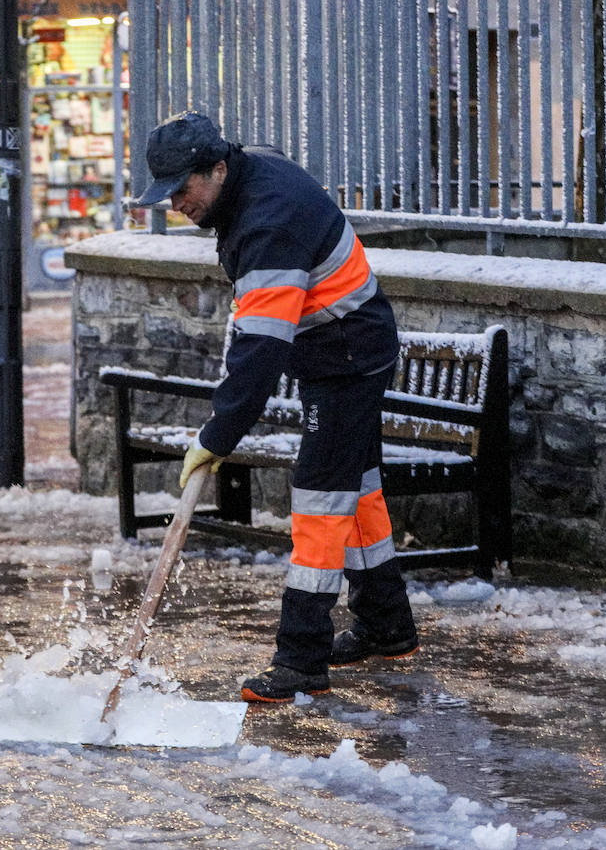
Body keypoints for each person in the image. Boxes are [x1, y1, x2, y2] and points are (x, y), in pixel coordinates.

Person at [134, 112, 419, 703]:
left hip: (346, 355)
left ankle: (301, 661)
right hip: (339, 347)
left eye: (182, 191)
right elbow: (256, 323)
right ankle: (387, 626)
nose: (176, 205)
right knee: (355, 488)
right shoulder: (247, 178)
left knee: (319, 496)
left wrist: (218, 434)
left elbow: (261, 349)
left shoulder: (267, 222)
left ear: (217, 169)